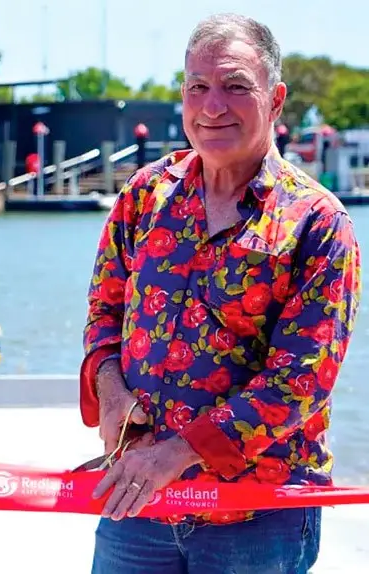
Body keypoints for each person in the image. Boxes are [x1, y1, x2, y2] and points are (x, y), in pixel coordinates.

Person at [78, 13, 361, 574]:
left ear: (275, 100)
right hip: (138, 504)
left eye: (236, 87)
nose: (213, 106)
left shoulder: (318, 222)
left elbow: (301, 379)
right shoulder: (144, 195)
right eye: (198, 88)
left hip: (258, 516)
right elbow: (103, 312)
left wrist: (177, 453)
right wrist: (109, 389)